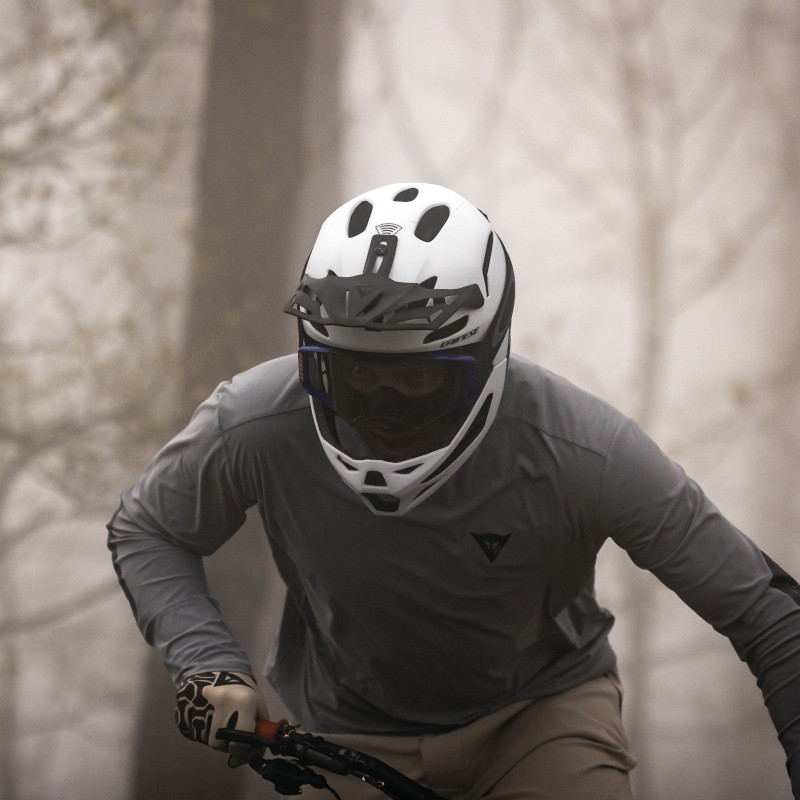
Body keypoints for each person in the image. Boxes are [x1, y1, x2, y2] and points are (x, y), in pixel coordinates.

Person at [108, 183, 800, 799]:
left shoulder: (583, 448)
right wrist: (209, 669)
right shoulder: (256, 422)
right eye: (354, 376)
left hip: (540, 719)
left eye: (416, 377)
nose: (382, 410)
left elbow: (769, 614)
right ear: (313, 355)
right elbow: (149, 529)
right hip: (341, 731)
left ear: (485, 353)